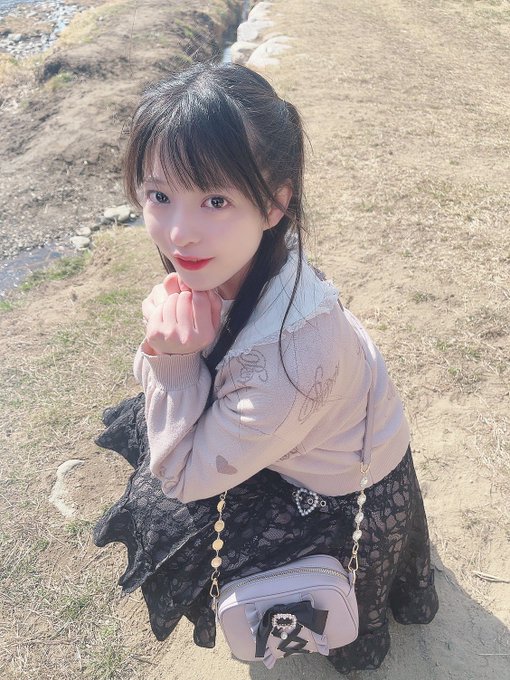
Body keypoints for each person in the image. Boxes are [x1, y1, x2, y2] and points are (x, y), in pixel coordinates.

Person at [93, 61, 438, 673]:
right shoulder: (251, 258)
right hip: (326, 435)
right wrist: (176, 350)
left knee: (167, 511)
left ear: (277, 203)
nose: (179, 234)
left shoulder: (290, 358)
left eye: (216, 200)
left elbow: (182, 477)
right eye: (160, 195)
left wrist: (172, 358)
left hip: (346, 485)